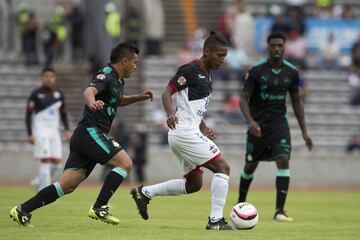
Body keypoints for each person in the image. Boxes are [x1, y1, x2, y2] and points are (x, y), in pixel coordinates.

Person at [10, 41, 154, 227]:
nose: (135, 66)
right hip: (91, 131)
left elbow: (116, 100)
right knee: (125, 163)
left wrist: (138, 97)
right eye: (134, 62)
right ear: (124, 60)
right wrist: (92, 102)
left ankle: (22, 209)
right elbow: (89, 91)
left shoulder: (119, 80)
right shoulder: (107, 74)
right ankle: (99, 207)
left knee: (67, 185)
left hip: (83, 136)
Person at [130, 31, 234, 230]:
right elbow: (167, 91)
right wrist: (170, 113)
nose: (222, 60)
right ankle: (215, 221)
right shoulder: (191, 69)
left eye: (224, 56)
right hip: (183, 132)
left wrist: (203, 127)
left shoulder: (207, 74)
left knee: (193, 185)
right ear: (207, 51)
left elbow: (192, 108)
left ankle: (144, 193)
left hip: (188, 131)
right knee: (223, 167)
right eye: (219, 55)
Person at [237, 32, 313, 222]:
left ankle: (280, 211)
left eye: (280, 45)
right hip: (258, 126)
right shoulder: (256, 71)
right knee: (250, 166)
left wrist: (304, 131)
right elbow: (243, 99)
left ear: (284, 47)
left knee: (283, 160)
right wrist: (250, 121)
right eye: (273, 46)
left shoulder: (292, 72)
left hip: (279, 125)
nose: (277, 49)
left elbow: (297, 102)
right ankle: (240, 204)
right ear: (268, 47)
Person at [26, 68, 72, 191]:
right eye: (46, 76)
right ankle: (43, 191)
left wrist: (67, 129)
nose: (49, 79)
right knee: (45, 162)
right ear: (42, 77)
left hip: (54, 132)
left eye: (51, 76)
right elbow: (28, 114)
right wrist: (30, 133)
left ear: (54, 78)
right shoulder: (35, 94)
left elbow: (63, 113)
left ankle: (38, 180)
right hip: (40, 131)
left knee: (57, 164)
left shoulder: (59, 94)